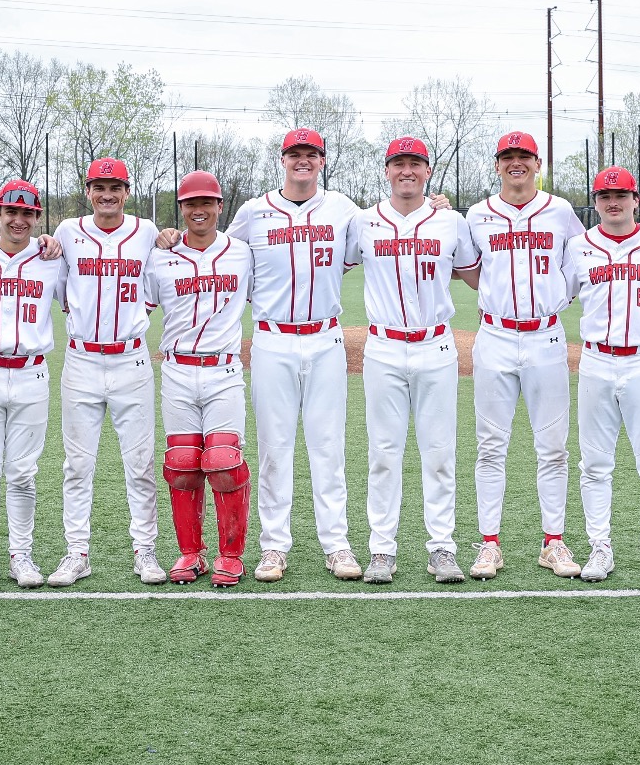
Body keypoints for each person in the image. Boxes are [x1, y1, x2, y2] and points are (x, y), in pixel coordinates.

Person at [222, 129, 363, 582]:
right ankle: (273, 546)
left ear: (322, 161)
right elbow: (220, 254)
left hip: (325, 338)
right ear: (282, 160)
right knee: (275, 447)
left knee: (328, 445)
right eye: (295, 155)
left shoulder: (343, 209)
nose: (303, 162)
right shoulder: (253, 212)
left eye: (311, 155)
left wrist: (432, 206)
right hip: (271, 339)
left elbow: (385, 231)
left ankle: (336, 544)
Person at [346, 136, 481, 585]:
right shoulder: (364, 222)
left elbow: (475, 274)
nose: (407, 171)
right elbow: (332, 262)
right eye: (398, 164)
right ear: (386, 171)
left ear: (427, 171)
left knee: (439, 452)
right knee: (383, 452)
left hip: (436, 345)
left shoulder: (451, 221)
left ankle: (442, 547)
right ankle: (381, 550)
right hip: (383, 345)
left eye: (415, 164)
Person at [462, 131, 585, 579]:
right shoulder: (477, 214)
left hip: (545, 337)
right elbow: (471, 272)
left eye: (524, 157)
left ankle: (553, 541)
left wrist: (552, 300)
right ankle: (489, 544)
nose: (517, 163)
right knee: (491, 446)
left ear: (538, 163)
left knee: (552, 447)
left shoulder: (560, 211)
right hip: (494, 335)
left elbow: (576, 267)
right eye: (508, 157)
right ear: (497, 165)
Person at [564, 167, 640, 585]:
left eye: (622, 195)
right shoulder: (578, 246)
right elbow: (563, 294)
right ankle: (600, 547)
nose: (613, 202)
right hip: (596, 360)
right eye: (604, 195)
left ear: (636, 199)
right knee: (595, 463)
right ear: (595, 202)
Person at [52, 157, 164, 587]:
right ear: (88, 191)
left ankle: (145, 551)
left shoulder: (148, 232)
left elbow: (152, 291)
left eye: (115, 186)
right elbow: (60, 289)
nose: (107, 194)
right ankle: (77, 552)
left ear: (127, 191)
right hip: (81, 359)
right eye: (99, 186)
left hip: (131, 359)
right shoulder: (67, 232)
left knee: (139, 463)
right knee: (77, 465)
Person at [145, 171, 256, 586]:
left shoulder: (242, 252)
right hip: (176, 369)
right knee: (182, 465)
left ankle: (232, 555)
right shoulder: (159, 257)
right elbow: (142, 305)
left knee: (224, 461)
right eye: (191, 203)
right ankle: (191, 553)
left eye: (206, 202)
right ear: (181, 209)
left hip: (224, 369)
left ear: (220, 206)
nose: (199, 210)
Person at [0, 179, 65, 592]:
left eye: (27, 213)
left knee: (22, 473)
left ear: (37, 217)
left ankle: (21, 555)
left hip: (31, 372)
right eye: (11, 212)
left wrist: (54, 243)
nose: (18, 220)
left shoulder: (52, 258)